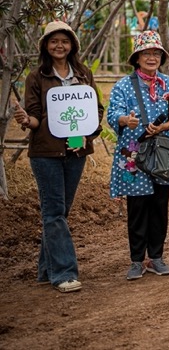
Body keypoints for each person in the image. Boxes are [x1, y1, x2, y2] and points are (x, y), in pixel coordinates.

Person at [13, 21, 104, 293]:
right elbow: (36, 119)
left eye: (64, 41)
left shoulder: (84, 73)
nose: (59, 46)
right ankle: (63, 273)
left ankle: (45, 270)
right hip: (46, 153)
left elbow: (95, 110)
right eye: (53, 41)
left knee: (60, 212)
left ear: (72, 45)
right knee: (53, 212)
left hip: (76, 152)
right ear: (45, 46)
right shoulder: (36, 76)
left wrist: (87, 136)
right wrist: (25, 120)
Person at [107, 31, 169, 280]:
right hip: (133, 155)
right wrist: (125, 121)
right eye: (146, 53)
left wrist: (164, 126)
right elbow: (113, 115)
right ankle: (136, 260)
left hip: (162, 153)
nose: (151, 58)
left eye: (156, 53)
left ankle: (157, 257)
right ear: (137, 58)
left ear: (161, 57)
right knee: (137, 208)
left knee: (160, 207)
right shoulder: (123, 86)